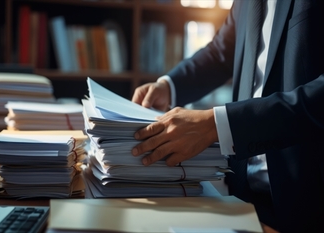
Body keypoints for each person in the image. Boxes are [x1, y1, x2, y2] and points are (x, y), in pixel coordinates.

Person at [131, 0, 324, 232]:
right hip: (242, 197)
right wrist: (168, 86)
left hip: (308, 202)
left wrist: (219, 125)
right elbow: (222, 51)